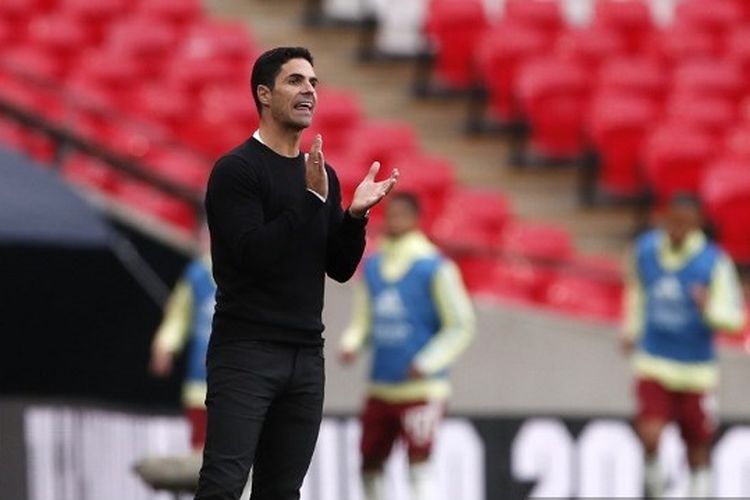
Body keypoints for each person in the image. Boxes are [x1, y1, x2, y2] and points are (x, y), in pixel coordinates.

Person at [195, 46, 399, 500]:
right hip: (246, 352)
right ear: (264, 94)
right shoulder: (236, 171)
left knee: (282, 492)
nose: (309, 90)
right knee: (222, 488)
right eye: (295, 81)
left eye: (313, 83)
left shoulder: (320, 174)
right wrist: (308, 202)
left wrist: (354, 218)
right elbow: (251, 255)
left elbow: (340, 268)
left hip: (306, 356)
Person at [339, 192, 476, 500]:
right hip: (381, 386)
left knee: (419, 464)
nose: (394, 220)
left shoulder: (434, 266)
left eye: (402, 214)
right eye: (391, 214)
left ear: (416, 219)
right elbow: (364, 320)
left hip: (422, 390)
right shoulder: (373, 266)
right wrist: (351, 343)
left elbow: (461, 324)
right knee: (369, 463)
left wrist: (428, 362)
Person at [621, 193, 746, 499]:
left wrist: (708, 309)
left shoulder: (713, 262)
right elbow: (637, 291)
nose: (676, 228)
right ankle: (653, 486)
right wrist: (631, 329)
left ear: (698, 224)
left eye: (684, 223)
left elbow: (735, 319)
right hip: (654, 361)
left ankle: (699, 491)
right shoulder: (646, 251)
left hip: (696, 370)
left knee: (698, 445)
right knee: (650, 434)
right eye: (673, 221)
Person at [150, 243, 214, 451]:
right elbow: (178, 316)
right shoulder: (197, 275)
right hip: (200, 383)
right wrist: (165, 346)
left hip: (243, 382)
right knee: (201, 448)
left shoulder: (250, 269)